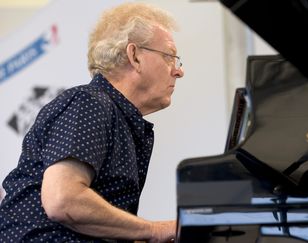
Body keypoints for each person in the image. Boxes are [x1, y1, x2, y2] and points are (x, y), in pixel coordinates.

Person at [0, 2, 184, 242]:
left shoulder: (117, 117)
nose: (179, 71)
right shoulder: (90, 102)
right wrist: (155, 230)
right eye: (170, 56)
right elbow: (62, 200)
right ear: (135, 56)